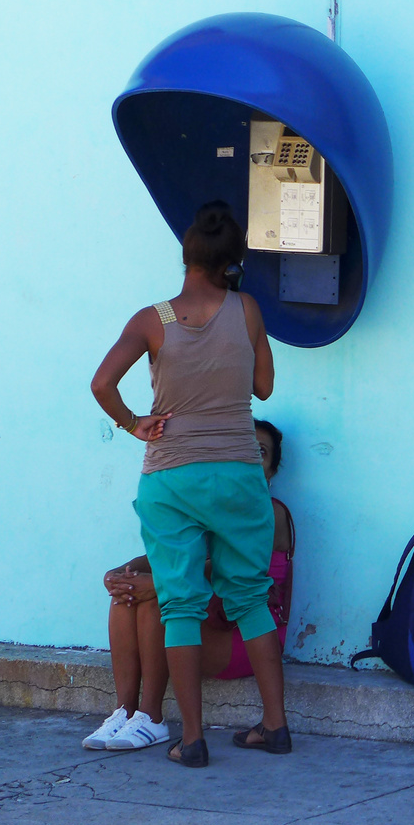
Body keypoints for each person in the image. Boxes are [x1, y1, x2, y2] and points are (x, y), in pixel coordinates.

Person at [88, 201, 290, 768]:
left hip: (172, 475)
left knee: (179, 603)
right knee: (250, 597)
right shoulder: (246, 309)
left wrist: (134, 423)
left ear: (186, 256)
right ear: (233, 262)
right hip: (237, 472)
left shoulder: (153, 320)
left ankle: (191, 739)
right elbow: (265, 387)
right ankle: (275, 726)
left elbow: (103, 383)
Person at [83, 421, 295, 752]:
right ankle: (125, 712)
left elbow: (220, 569)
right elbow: (172, 554)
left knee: (160, 600)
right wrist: (121, 574)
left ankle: (152, 717)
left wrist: (153, 584)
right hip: (213, 624)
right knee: (126, 597)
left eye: (261, 453)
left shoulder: (270, 511)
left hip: (245, 637)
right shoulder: (219, 507)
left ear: (272, 469)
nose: (250, 457)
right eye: (242, 449)